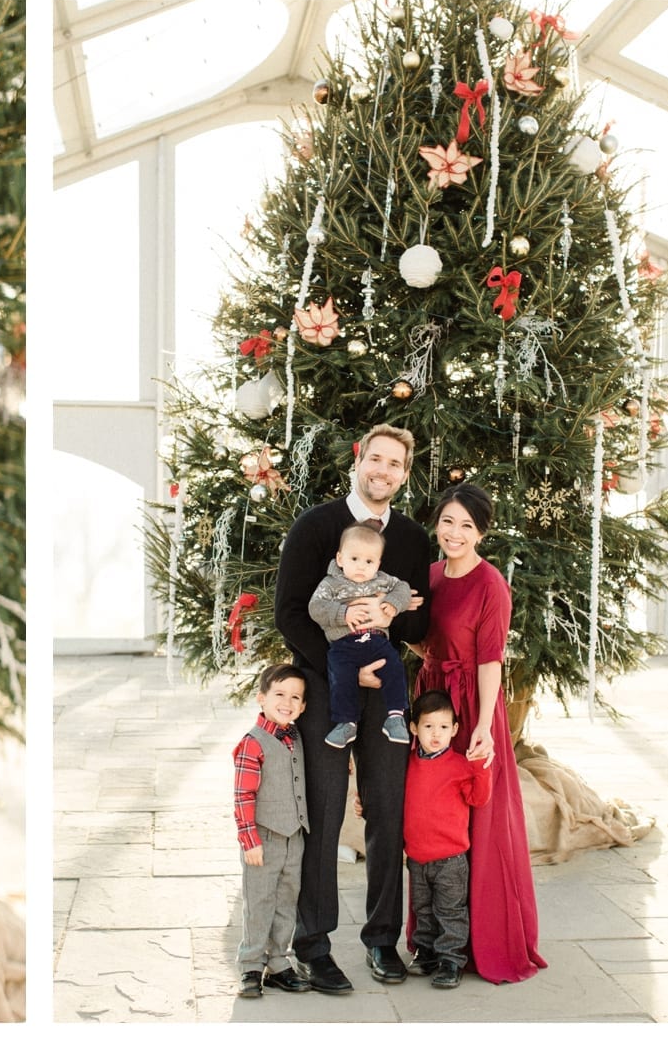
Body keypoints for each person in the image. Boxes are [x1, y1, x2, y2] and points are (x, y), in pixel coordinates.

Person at [273, 423, 432, 993]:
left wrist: (395, 619)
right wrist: (341, 665)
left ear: (405, 475)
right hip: (327, 688)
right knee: (324, 812)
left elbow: (418, 619)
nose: (383, 471)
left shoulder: (412, 540)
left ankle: (383, 939)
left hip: (388, 690)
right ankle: (313, 945)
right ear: (360, 460)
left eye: (396, 464)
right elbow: (290, 613)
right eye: (376, 459)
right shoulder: (315, 527)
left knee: (389, 811)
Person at [413, 482, 546, 984]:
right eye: (448, 521)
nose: (454, 532)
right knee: (435, 811)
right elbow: (422, 638)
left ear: (481, 532)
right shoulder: (428, 576)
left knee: (482, 820)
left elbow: (490, 660)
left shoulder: (491, 584)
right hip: (434, 703)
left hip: (472, 705)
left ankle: (478, 943)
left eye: (467, 525)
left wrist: (487, 726)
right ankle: (433, 941)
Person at [401, 689, 493, 989]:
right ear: (415, 728)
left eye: (443, 727)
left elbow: (479, 799)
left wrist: (480, 768)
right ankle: (425, 952)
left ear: (454, 729)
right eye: (428, 726)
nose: (436, 734)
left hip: (451, 859)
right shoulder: (407, 763)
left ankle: (451, 959)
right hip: (416, 857)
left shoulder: (459, 765)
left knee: (450, 911)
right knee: (422, 910)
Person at [232, 664, 312, 999]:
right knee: (260, 900)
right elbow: (242, 795)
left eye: (295, 697)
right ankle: (251, 964)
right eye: (279, 694)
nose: (287, 702)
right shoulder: (253, 743)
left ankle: (279, 961)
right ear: (262, 698)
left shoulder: (295, 737)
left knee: (285, 900)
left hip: (294, 836)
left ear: (303, 707)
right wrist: (250, 841)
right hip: (263, 837)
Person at [308, 523, 414, 749]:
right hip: (344, 643)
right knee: (342, 674)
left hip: (375, 638)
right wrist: (343, 612)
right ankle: (346, 722)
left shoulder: (382, 580)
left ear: (378, 564)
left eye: (369, 561)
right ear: (340, 558)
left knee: (394, 666)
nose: (361, 567)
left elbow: (403, 588)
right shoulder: (331, 584)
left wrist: (393, 604)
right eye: (354, 559)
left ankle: (395, 717)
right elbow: (315, 607)